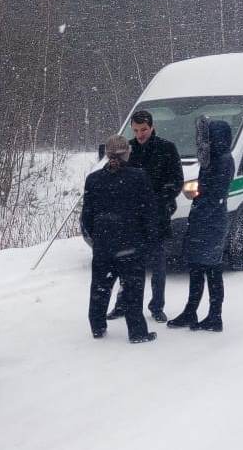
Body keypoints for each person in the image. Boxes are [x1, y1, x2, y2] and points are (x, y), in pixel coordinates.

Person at [106, 110, 183, 323]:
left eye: (144, 130)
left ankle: (157, 307)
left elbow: (177, 181)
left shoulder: (167, 148)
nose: (140, 134)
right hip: (130, 219)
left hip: (157, 216)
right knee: (127, 264)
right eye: (136, 130)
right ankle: (123, 304)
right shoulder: (126, 149)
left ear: (152, 127)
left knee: (158, 265)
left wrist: (158, 200)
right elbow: (111, 175)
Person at [80, 135, 159, 343]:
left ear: (106, 155)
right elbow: (149, 212)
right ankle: (137, 332)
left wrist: (96, 237)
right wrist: (149, 239)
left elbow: (87, 216)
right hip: (130, 244)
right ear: (127, 154)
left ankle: (97, 326)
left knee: (100, 286)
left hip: (103, 244)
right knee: (133, 289)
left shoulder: (93, 179)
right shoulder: (138, 177)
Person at [168, 119, 235, 332]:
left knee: (212, 269)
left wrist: (200, 202)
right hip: (203, 220)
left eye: (209, 137)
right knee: (197, 267)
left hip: (212, 222)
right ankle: (192, 310)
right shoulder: (212, 159)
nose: (205, 142)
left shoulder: (223, 160)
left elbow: (214, 193)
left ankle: (215, 316)